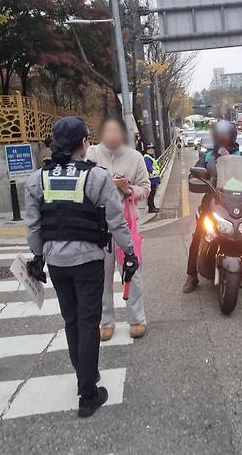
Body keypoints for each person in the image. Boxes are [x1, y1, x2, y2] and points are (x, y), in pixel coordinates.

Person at [24, 116, 139, 418]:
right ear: (83, 144)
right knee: (89, 323)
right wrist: (129, 252)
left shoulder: (38, 178)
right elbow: (116, 221)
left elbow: (33, 225)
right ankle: (88, 394)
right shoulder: (96, 177)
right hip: (88, 260)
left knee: (72, 321)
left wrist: (37, 257)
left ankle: (84, 377)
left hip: (57, 262)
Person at [182, 120, 242, 293]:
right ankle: (192, 276)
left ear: (232, 136)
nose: (223, 137)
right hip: (214, 202)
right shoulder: (208, 157)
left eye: (226, 134)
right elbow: (194, 174)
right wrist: (197, 178)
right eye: (220, 134)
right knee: (198, 236)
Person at [87, 115, 150, 340]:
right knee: (100, 274)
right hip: (99, 224)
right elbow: (84, 186)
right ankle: (105, 321)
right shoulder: (92, 155)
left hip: (126, 224)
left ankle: (137, 319)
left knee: (132, 271)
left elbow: (146, 188)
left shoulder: (135, 158)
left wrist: (127, 189)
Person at [143, 143, 161, 213]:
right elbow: (148, 167)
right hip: (151, 179)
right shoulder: (147, 157)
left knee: (152, 194)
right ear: (146, 150)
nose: (151, 150)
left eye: (152, 148)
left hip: (154, 178)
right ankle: (151, 208)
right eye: (149, 149)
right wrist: (153, 171)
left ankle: (153, 207)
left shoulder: (150, 157)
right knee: (151, 194)